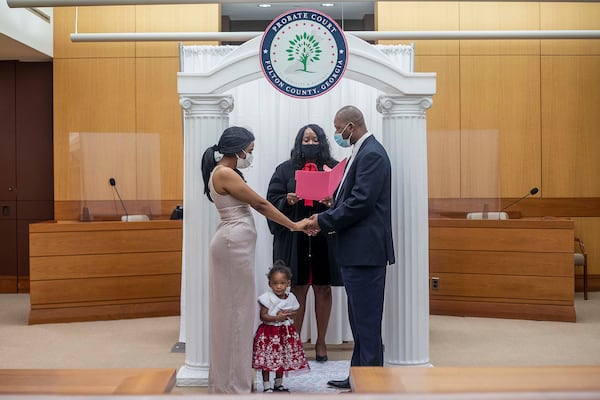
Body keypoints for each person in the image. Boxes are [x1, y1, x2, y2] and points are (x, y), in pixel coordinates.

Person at [201, 126, 311, 394]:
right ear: (237, 149)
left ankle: (233, 380)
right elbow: (261, 205)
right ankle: (232, 385)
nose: (250, 156)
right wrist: (294, 225)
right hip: (232, 245)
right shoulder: (225, 173)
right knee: (235, 314)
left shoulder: (225, 172)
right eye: (249, 151)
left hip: (233, 244)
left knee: (237, 312)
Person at [306, 106, 395, 390]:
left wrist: (323, 218)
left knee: (367, 323)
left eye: (338, 128)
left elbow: (361, 203)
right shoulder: (362, 150)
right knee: (359, 321)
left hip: (365, 252)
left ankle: (370, 382)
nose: (336, 134)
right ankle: (359, 376)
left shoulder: (372, 154)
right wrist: (335, 205)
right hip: (356, 251)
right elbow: (354, 198)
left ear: (351, 126)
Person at [266, 124, 342, 363]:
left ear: (322, 141)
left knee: (323, 288)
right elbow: (271, 201)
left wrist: (332, 202)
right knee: (297, 289)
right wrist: (287, 200)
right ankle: (295, 343)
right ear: (299, 142)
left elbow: (347, 200)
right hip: (295, 238)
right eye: (306, 140)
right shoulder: (284, 169)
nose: (310, 144)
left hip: (324, 237)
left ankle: (321, 342)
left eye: (314, 139)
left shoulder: (334, 167)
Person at [252, 261, 310, 393]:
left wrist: (289, 315)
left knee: (282, 358)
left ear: (288, 283)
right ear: (270, 284)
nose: (278, 286)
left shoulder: (291, 298)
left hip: (285, 333)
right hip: (269, 334)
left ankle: (279, 383)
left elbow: (295, 312)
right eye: (275, 283)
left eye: (282, 283)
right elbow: (263, 316)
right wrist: (277, 318)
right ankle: (267, 385)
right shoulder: (267, 298)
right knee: (267, 360)